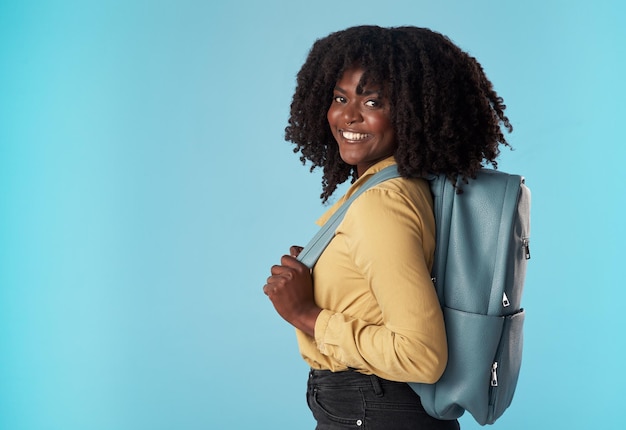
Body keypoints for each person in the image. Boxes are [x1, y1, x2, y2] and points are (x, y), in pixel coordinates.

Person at [263, 25, 512, 430]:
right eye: (340, 98)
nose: (348, 115)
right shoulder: (392, 187)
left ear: (412, 112)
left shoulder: (381, 203)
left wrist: (306, 313)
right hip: (373, 409)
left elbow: (421, 356)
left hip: (375, 411)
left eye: (373, 101)